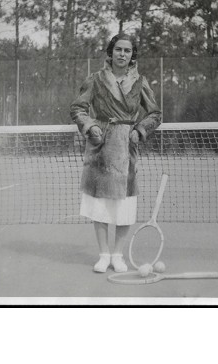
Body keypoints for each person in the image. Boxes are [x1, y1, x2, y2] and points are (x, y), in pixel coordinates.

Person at [70, 33, 161, 273]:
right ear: (110, 53)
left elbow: (155, 114)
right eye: (118, 49)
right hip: (100, 147)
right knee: (99, 205)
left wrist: (139, 130)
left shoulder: (140, 82)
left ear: (133, 55)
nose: (122, 54)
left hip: (126, 149)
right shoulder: (95, 79)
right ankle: (103, 255)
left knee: (124, 206)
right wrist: (91, 126)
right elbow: (78, 108)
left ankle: (118, 255)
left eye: (127, 50)